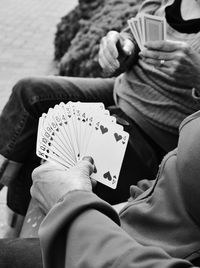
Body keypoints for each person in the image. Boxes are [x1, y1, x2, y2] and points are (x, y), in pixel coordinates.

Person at [0, 0, 200, 236]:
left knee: (60, 146)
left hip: (157, 129)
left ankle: (26, 244)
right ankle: (11, 230)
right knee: (30, 92)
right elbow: (132, 40)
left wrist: (197, 74)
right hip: (121, 91)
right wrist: (120, 47)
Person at [1, 109, 200, 268]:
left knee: (31, 93)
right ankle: (12, 228)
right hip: (124, 225)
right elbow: (172, 172)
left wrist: (71, 205)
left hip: (123, 248)